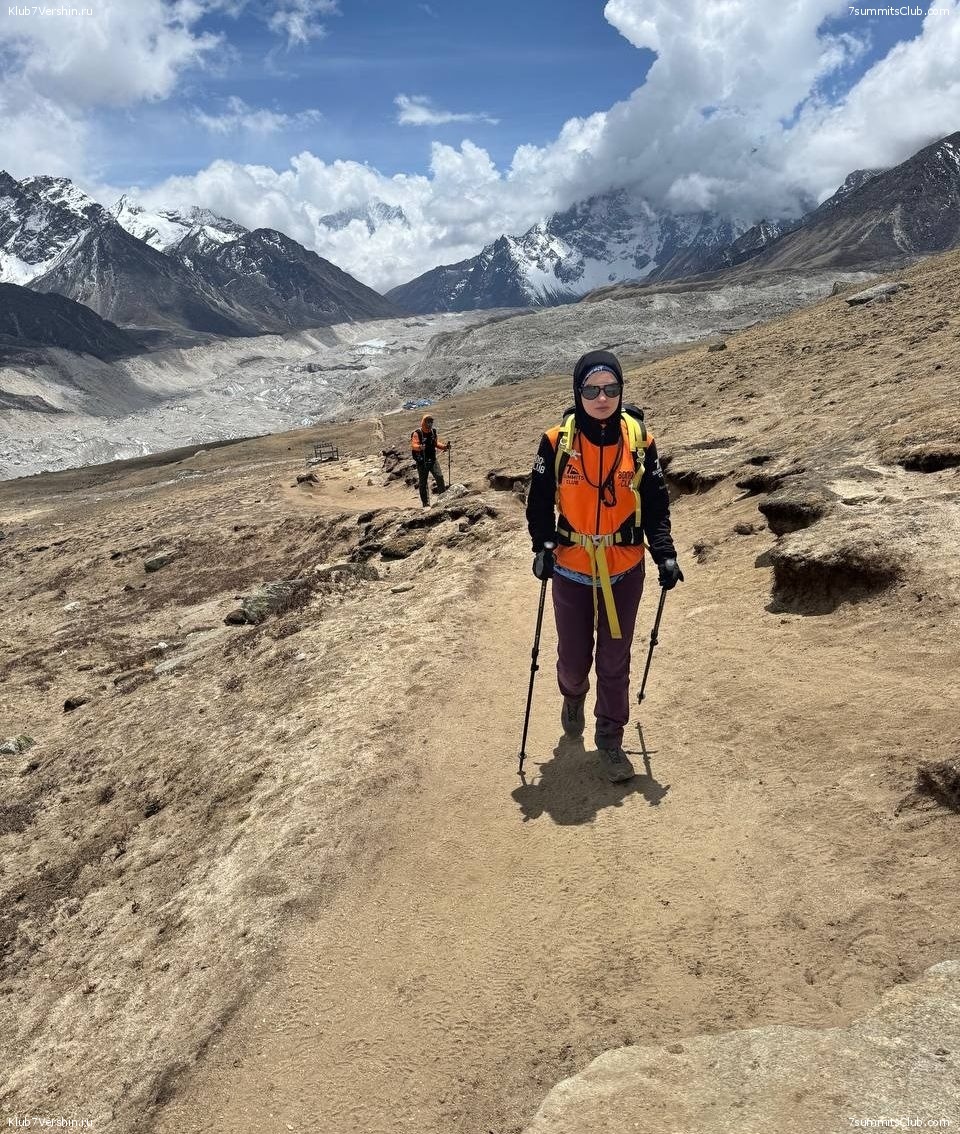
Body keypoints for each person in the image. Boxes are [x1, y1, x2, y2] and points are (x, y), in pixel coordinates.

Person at [525, 349, 683, 782]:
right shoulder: (556, 442)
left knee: (614, 660)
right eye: (592, 389)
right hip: (571, 566)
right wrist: (543, 545)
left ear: (621, 391)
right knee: (574, 660)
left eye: (611, 389)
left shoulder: (640, 441)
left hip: (624, 567)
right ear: (578, 392)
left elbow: (656, 502)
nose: (602, 398)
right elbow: (539, 500)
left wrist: (664, 552)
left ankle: (610, 738)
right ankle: (573, 695)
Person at [411, 414, 450, 506]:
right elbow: (413, 445)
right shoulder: (417, 433)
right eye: (428, 422)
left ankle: (443, 499)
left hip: (432, 459)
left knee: (439, 477)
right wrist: (419, 447)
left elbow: (435, 443)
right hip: (422, 461)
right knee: (423, 482)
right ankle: (425, 503)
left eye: (431, 422)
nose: (430, 424)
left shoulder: (433, 432)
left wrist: (444, 447)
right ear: (424, 422)